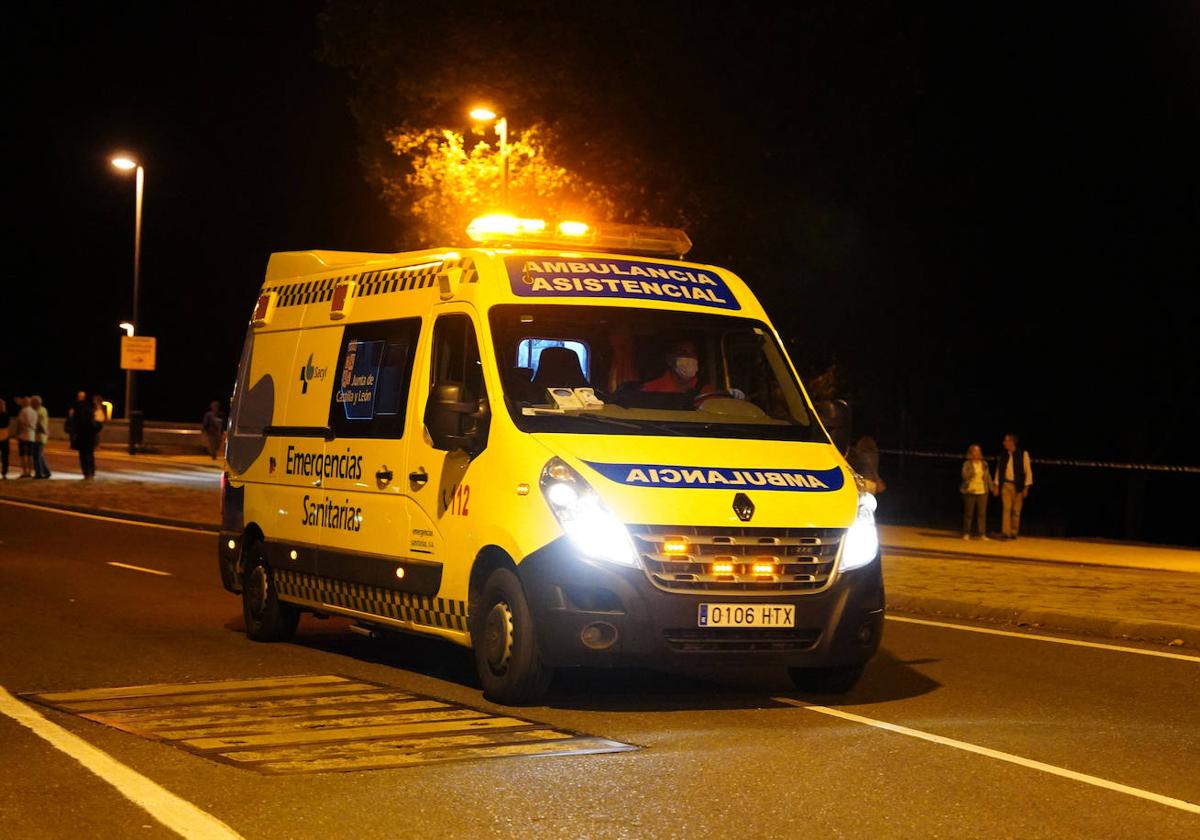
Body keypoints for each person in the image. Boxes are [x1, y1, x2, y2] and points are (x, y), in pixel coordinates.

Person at [992, 432, 1032, 540]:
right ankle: (1006, 532)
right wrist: (996, 485)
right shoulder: (1002, 455)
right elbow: (998, 471)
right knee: (1006, 508)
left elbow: (1028, 471)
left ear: (1012, 442)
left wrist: (1026, 488)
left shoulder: (1023, 454)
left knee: (1016, 510)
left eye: (1006, 440)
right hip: (1006, 485)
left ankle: (1014, 532)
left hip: (1018, 486)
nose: (1004, 443)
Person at [959, 443, 990, 540]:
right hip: (970, 490)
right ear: (971, 453)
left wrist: (992, 487)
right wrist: (972, 472)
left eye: (978, 451)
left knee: (982, 514)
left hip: (982, 490)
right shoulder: (967, 464)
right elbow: (964, 476)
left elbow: (987, 477)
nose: (977, 453)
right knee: (969, 514)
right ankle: (966, 533)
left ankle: (982, 534)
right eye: (974, 451)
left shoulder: (984, 464)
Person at [67, 391, 99, 479]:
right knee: (90, 455)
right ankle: (91, 472)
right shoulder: (89, 409)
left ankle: (87, 473)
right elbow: (98, 427)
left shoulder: (77, 410)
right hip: (89, 439)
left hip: (82, 438)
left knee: (83, 456)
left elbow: (72, 425)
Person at [31, 395, 52, 479]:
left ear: (36, 403)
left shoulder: (37, 411)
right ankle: (46, 472)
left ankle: (39, 473)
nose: (31, 405)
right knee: (40, 455)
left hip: (39, 436)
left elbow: (40, 424)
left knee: (36, 456)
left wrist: (44, 431)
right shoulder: (44, 409)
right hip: (42, 436)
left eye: (32, 403)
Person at [16, 396, 37, 478]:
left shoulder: (23, 411)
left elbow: (20, 423)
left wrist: (17, 433)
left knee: (23, 455)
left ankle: (25, 472)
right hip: (32, 436)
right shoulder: (34, 412)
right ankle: (30, 472)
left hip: (23, 435)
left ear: (25, 403)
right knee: (30, 455)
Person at [0, 398, 9, 479]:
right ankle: (4, 473)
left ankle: (4, 472)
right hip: (5, 437)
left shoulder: (5, 415)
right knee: (5, 457)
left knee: (5, 457)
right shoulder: (6, 415)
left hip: (3, 436)